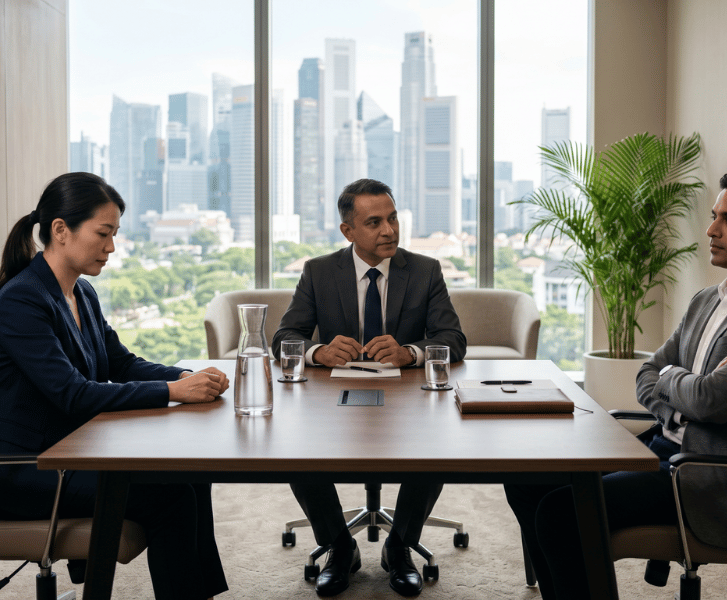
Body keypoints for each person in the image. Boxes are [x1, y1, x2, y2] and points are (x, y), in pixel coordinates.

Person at [504, 169, 727, 599]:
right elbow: (648, 376)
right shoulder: (707, 300)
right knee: (529, 479)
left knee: (562, 510)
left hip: (715, 476)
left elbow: (712, 400)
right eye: (715, 216)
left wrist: (675, 380)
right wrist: (681, 389)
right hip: (662, 447)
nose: (711, 229)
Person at [0, 172, 230, 600]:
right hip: (27, 468)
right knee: (171, 496)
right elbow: (74, 394)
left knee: (191, 471)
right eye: (103, 234)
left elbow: (120, 363)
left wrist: (181, 376)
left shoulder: (81, 292)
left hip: (75, 451)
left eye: (115, 234)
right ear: (60, 231)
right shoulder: (21, 300)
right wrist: (174, 393)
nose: (111, 247)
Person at [272, 178, 466, 597]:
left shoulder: (425, 270)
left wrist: (410, 352)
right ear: (348, 231)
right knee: (292, 449)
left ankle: (400, 546)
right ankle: (340, 547)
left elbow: (454, 340)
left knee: (438, 447)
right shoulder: (320, 271)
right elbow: (284, 337)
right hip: (333, 402)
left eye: (394, 218)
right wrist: (319, 351)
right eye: (375, 222)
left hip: (407, 401)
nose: (390, 231)